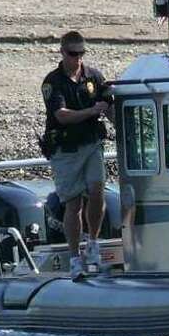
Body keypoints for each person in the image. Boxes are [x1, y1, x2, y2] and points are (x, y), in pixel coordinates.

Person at [41, 31, 112, 278]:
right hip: (66, 150)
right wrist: (93, 111)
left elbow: (108, 103)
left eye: (81, 53)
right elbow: (62, 115)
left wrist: (120, 125)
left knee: (97, 190)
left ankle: (93, 244)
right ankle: (74, 258)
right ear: (62, 52)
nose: (78, 59)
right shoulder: (53, 82)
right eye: (73, 54)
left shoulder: (93, 76)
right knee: (73, 204)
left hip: (92, 143)